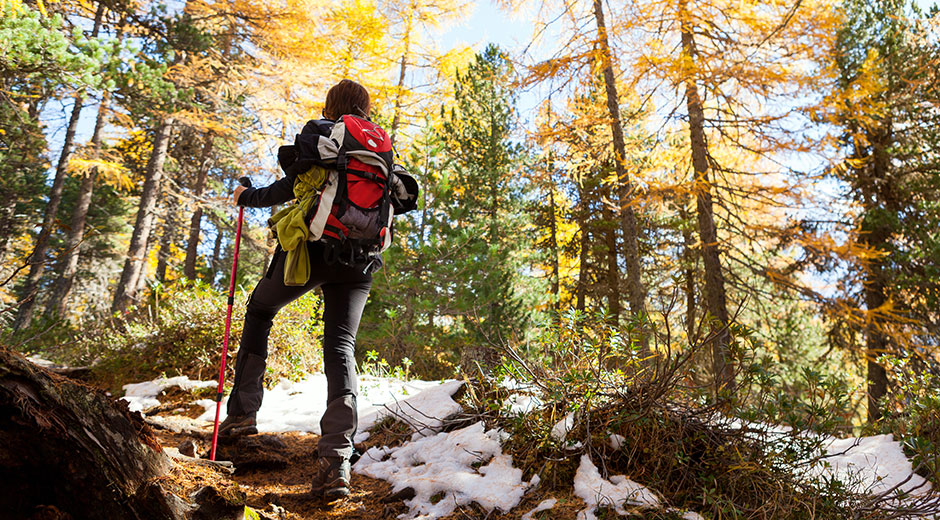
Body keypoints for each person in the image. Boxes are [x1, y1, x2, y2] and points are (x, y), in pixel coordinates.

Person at [219, 79, 377, 500]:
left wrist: (246, 196)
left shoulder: (322, 134)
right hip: (361, 259)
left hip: (314, 250)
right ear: (365, 109)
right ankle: (336, 460)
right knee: (341, 345)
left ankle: (242, 415)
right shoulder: (378, 148)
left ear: (330, 107)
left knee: (260, 310)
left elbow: (289, 187)